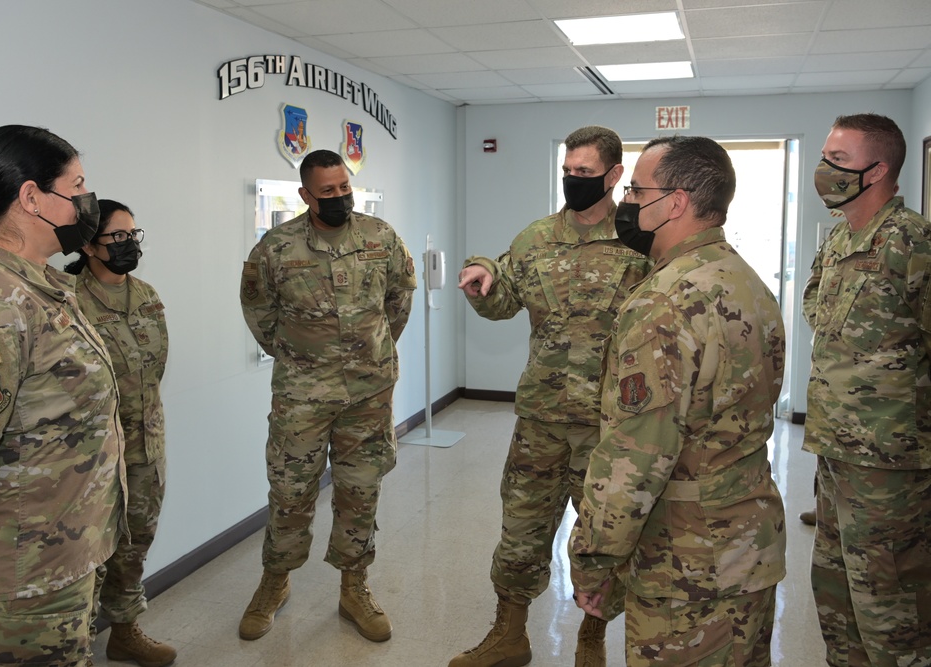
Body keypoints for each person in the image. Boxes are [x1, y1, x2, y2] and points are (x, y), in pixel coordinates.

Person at [569, 135, 787, 666]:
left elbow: (636, 457)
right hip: (749, 543)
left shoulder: (665, 301)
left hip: (687, 564)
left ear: (676, 203)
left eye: (637, 192)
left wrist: (594, 560)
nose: (625, 204)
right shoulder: (747, 282)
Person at [451, 125, 653, 667]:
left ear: (613, 176)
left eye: (585, 174)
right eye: (568, 172)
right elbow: (503, 298)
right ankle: (509, 636)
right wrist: (482, 278)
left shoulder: (641, 241)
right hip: (541, 417)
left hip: (610, 425)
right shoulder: (537, 238)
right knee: (520, 529)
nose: (573, 181)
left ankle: (591, 639)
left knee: (602, 538)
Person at [0, 125, 126, 666]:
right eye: (78, 186)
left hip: (58, 560)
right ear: (32, 197)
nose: (87, 201)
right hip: (14, 584)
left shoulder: (37, 286)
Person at [239, 149, 416, 643]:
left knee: (361, 490)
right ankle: (275, 582)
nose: (339, 197)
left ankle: (354, 586)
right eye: (328, 192)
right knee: (291, 493)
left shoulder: (380, 237)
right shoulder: (276, 248)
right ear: (305, 195)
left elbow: (399, 300)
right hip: (302, 396)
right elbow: (259, 312)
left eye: (344, 188)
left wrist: (371, 352)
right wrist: (301, 358)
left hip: (369, 394)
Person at [803, 113, 931, 666]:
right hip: (835, 450)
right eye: (826, 156)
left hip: (889, 463)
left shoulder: (911, 241)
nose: (825, 169)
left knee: (888, 604)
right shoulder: (840, 238)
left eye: (840, 160)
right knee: (835, 592)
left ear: (878, 170)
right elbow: (820, 313)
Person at [65, 200, 175, 667]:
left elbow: (155, 369)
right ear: (89, 244)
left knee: (135, 542)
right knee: (86, 552)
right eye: (117, 237)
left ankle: (125, 631)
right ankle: (77, 647)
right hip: (90, 455)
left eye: (134, 235)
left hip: (146, 446)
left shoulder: (146, 295)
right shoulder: (68, 299)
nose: (129, 244)